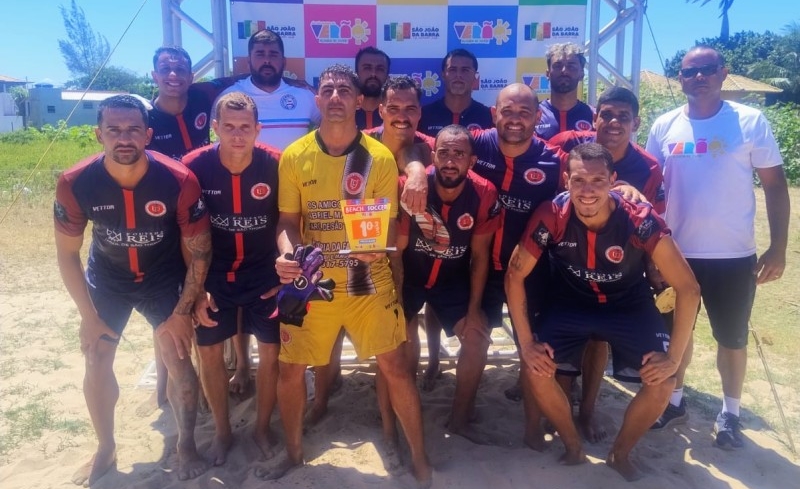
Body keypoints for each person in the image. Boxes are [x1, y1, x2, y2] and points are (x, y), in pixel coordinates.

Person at [262, 64, 432, 486]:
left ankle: (419, 457)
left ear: (360, 101)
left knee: (394, 365)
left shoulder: (377, 159)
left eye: (344, 90)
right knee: (289, 369)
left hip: (367, 280)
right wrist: (288, 255)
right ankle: (294, 451)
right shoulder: (295, 155)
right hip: (312, 282)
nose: (335, 96)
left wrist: (379, 246)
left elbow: (387, 225)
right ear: (316, 100)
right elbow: (286, 221)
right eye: (327, 90)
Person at [505, 142, 700, 481]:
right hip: (571, 302)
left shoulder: (639, 218)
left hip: (627, 304)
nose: (588, 190)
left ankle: (619, 453)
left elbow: (689, 288)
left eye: (597, 181)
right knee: (536, 366)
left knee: (663, 381)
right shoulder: (552, 213)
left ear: (613, 180)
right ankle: (572, 446)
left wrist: (674, 358)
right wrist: (526, 343)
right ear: (566, 180)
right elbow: (514, 275)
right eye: (579, 181)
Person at [54, 95, 211, 485]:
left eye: (133, 130)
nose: (124, 139)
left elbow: (200, 252)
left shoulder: (178, 179)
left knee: (179, 357)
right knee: (97, 357)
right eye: (114, 130)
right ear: (98, 134)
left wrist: (181, 311)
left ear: (148, 135)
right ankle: (106, 446)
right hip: (108, 279)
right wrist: (88, 318)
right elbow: (67, 256)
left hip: (162, 278)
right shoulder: (75, 182)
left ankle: (186, 444)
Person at [646, 46, 790, 447]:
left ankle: (730, 413)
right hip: (675, 256)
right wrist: (651, 254)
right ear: (680, 78)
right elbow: (652, 190)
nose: (699, 77)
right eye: (690, 72)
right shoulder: (664, 126)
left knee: (732, 339)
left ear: (723, 73)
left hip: (732, 256)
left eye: (708, 70)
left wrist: (778, 248)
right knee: (677, 335)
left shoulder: (749, 122)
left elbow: (776, 186)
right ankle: (674, 402)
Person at [304, 75, 432, 427]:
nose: (402, 116)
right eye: (393, 108)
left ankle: (397, 411)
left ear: (421, 112)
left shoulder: (427, 147)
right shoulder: (362, 143)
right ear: (380, 109)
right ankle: (323, 399)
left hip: (409, 255)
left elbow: (415, 151)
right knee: (330, 337)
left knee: (404, 334)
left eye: (410, 108)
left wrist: (417, 169)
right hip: (353, 256)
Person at [546, 86, 665, 441]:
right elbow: (540, 172)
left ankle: (589, 411)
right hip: (566, 257)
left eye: (623, 117)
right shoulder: (566, 142)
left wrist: (634, 193)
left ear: (636, 123)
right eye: (606, 115)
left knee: (597, 340)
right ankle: (560, 407)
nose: (613, 123)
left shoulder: (648, 166)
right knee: (564, 339)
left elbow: (652, 221)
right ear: (593, 117)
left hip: (618, 266)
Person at [183, 92, 282, 465]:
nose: (237, 135)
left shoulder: (277, 164)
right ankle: (223, 433)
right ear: (215, 129)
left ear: (258, 130)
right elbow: (184, 232)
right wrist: (196, 288)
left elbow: (292, 219)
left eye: (245, 128)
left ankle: (261, 428)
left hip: (264, 272)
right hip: (214, 275)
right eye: (229, 127)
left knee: (271, 353)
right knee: (208, 352)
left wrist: (286, 271)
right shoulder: (193, 167)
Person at [394, 124, 499, 443]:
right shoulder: (408, 186)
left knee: (477, 339)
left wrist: (474, 309)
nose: (450, 161)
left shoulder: (484, 192)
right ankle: (405, 413)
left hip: (452, 281)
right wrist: (397, 305)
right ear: (433, 156)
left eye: (459, 154)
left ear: (472, 161)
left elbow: (480, 257)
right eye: (444, 153)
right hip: (411, 276)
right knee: (402, 338)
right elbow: (396, 253)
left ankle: (459, 417)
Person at [218, 29, 320, 151]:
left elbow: (334, 126)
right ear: (249, 61)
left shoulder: (305, 96)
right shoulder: (228, 96)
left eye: (273, 54)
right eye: (260, 54)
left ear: (284, 61)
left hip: (293, 170)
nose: (267, 60)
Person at [418, 49, 493, 138]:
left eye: (465, 70)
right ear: (443, 75)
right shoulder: (424, 115)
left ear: (475, 76)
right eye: (452, 70)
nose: (458, 75)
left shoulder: (487, 116)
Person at [534, 42, 595, 141]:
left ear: (582, 74)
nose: (564, 71)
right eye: (557, 66)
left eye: (571, 66)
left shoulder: (593, 116)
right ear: (548, 73)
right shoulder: (533, 114)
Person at [355, 46, 390, 130]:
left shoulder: (396, 115)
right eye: (367, 68)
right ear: (356, 74)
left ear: (388, 76)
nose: (373, 74)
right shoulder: (344, 114)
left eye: (380, 69)